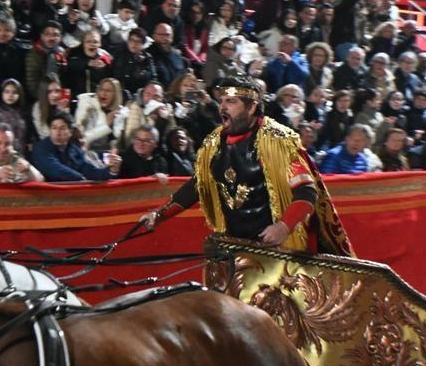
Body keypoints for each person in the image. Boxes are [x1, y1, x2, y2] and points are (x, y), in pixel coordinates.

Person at [141, 74, 354, 255]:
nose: (222, 107)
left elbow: (307, 192)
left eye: (231, 102)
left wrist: (283, 227)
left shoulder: (276, 140)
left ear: (251, 107)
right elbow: (198, 186)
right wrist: (159, 215)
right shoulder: (214, 143)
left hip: (277, 249)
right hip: (235, 247)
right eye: (222, 100)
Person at [31, 111, 116, 182]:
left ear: (70, 132)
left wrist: (111, 171)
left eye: (62, 128)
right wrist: (82, 180)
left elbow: (87, 169)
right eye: (54, 128)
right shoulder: (41, 148)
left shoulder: (73, 149)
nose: (58, 133)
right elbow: (56, 170)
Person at [25, 21, 67, 99]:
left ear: (60, 37)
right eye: (47, 34)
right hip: (41, 97)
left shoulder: (61, 52)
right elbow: (32, 84)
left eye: (55, 35)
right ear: (41, 36)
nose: (51, 38)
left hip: (58, 96)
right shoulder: (34, 53)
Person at [148, 23, 187, 90]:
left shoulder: (177, 56)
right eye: (161, 35)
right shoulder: (148, 56)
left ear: (172, 37)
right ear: (154, 36)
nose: (164, 38)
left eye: (167, 35)